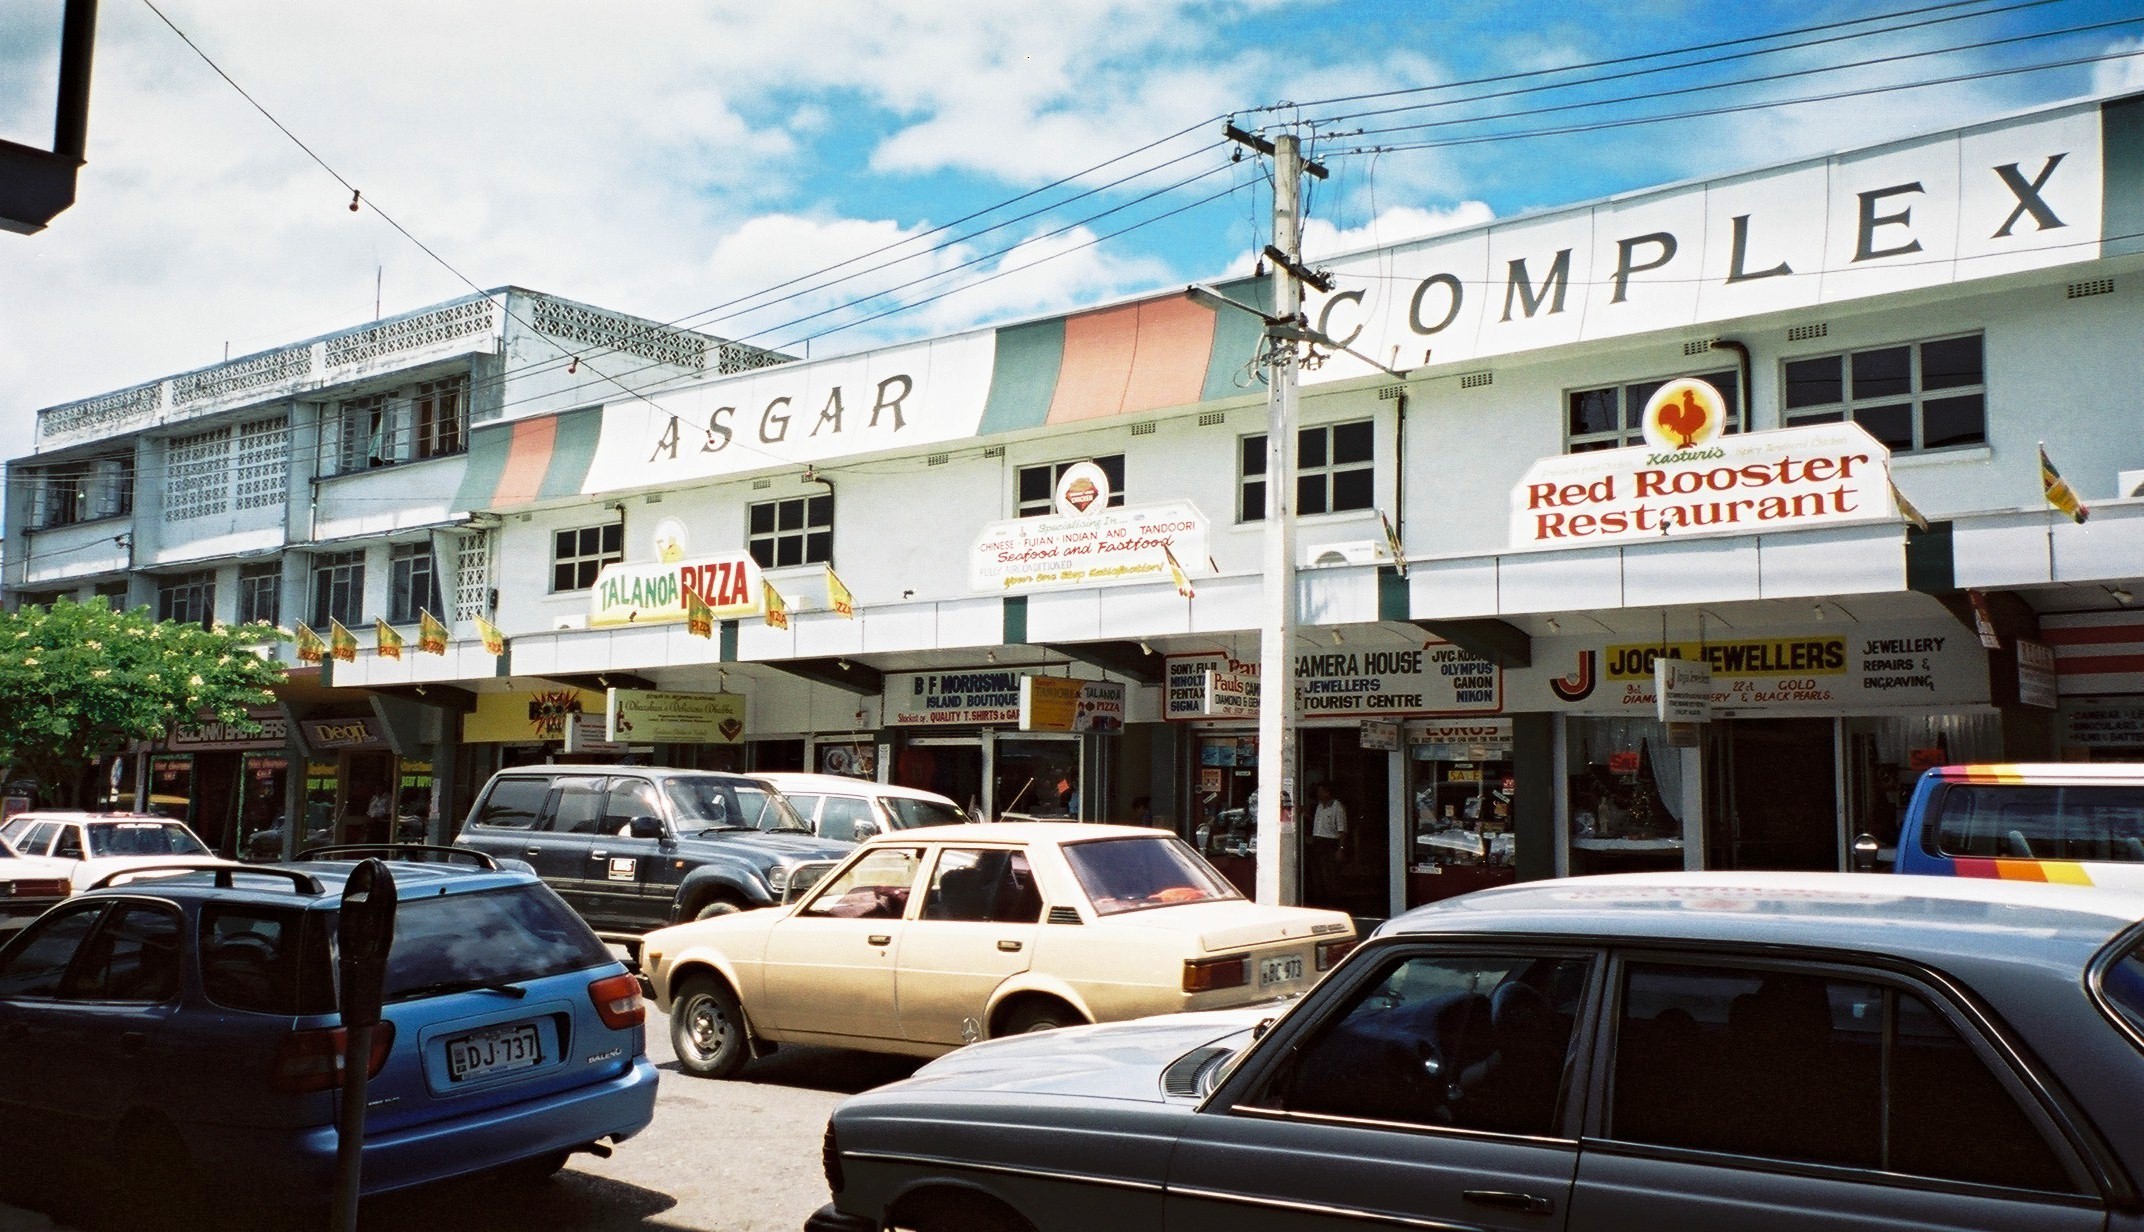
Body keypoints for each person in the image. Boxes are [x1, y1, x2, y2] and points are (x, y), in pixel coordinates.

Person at [1309, 782, 1347, 898]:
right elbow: (1317, 823)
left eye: (1321, 791)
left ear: (1327, 792)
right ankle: (1321, 899)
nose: (1318, 794)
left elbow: (1342, 830)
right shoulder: (1319, 806)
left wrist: (1340, 849)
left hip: (1329, 844)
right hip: (1317, 843)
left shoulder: (1337, 807)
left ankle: (1333, 900)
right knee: (1317, 874)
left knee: (1329, 875)